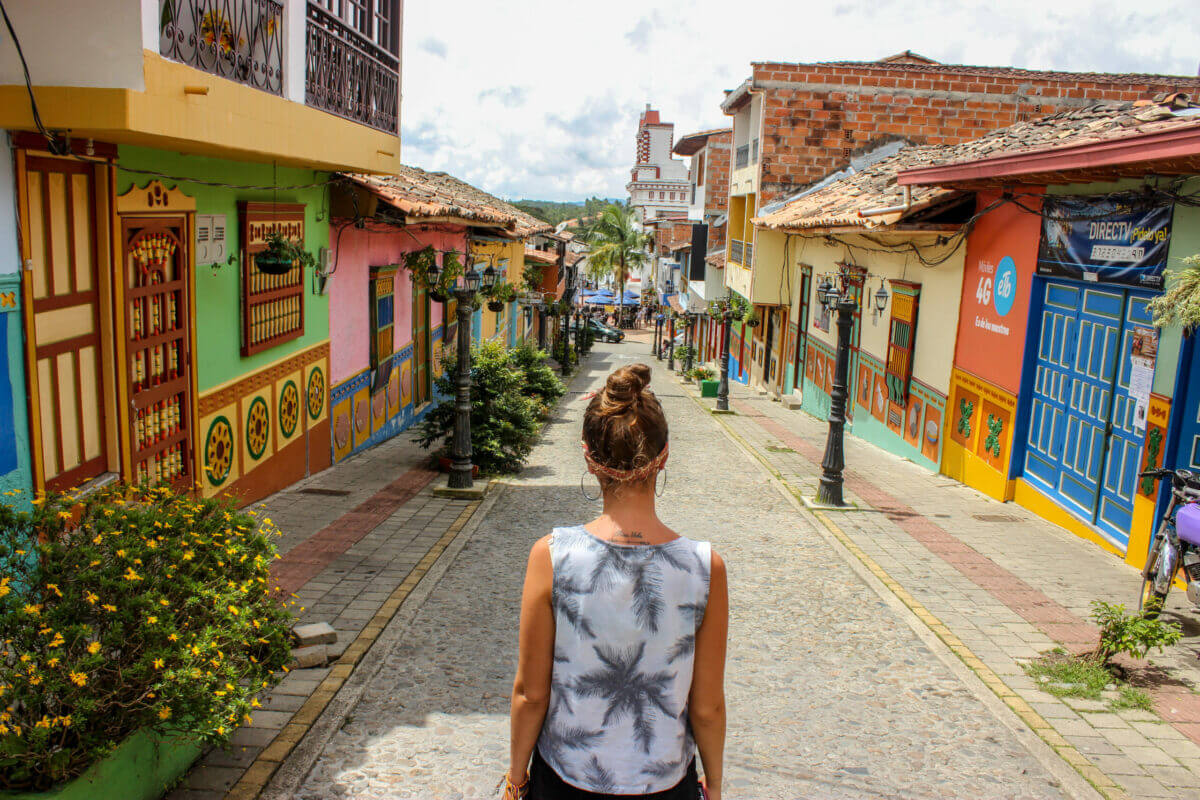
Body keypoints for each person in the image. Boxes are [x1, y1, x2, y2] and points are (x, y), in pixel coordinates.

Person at [503, 364, 728, 800]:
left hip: (565, 780)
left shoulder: (551, 556)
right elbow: (707, 706)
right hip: (665, 784)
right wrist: (714, 785)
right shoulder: (705, 568)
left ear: (589, 458)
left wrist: (516, 780)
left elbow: (531, 694)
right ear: (664, 457)